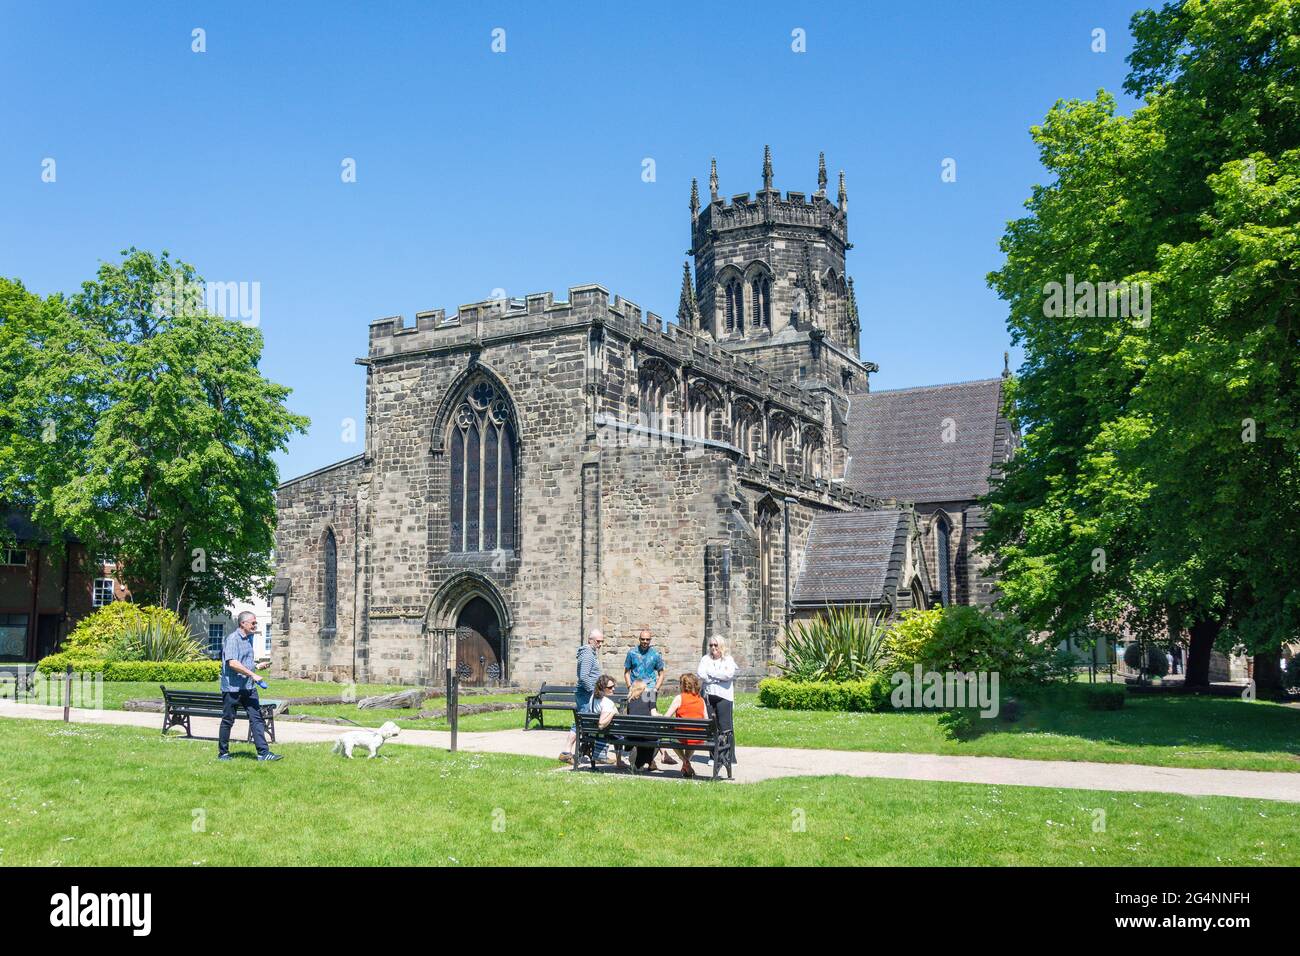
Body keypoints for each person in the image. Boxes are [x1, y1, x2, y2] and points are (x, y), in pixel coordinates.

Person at [218, 611, 281, 761]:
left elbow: (243, 662)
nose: (255, 625)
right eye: (253, 623)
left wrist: (256, 667)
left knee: (257, 718)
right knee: (228, 720)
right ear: (243, 624)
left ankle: (263, 753)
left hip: (248, 687)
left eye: (255, 623)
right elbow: (232, 663)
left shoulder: (248, 638)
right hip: (232, 688)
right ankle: (223, 753)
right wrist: (252, 674)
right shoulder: (233, 639)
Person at [559, 629, 604, 764]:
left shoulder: (590, 653)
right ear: (590, 640)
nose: (600, 644)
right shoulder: (588, 655)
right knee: (581, 722)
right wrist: (593, 691)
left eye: (602, 641)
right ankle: (566, 752)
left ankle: (586, 750)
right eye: (598, 641)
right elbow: (583, 676)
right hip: (586, 693)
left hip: (587, 693)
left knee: (587, 722)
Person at [698, 636, 737, 765]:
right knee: (711, 727)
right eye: (711, 645)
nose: (713, 648)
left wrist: (711, 673)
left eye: (716, 645)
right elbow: (701, 674)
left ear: (721, 646)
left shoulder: (728, 659)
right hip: (708, 696)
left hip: (724, 697)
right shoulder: (705, 659)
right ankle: (713, 756)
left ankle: (729, 757)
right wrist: (717, 676)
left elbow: (728, 675)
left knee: (726, 727)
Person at [663, 673, 707, 778]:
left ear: (683, 685)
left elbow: (666, 717)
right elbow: (706, 719)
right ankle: (687, 764)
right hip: (697, 737)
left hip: (681, 736)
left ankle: (685, 761)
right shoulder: (701, 700)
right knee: (692, 736)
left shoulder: (679, 698)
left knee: (673, 739)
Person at [621, 679, 658, 772]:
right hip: (646, 734)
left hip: (631, 735)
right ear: (643, 688)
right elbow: (654, 714)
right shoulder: (650, 695)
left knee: (643, 735)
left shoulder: (630, 699)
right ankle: (642, 762)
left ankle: (638, 760)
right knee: (656, 738)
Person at [623, 628, 666, 704]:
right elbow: (627, 672)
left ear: (650, 640)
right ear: (639, 639)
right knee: (634, 710)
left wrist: (656, 688)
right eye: (643, 639)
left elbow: (661, 674)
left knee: (650, 712)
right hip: (635, 688)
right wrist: (629, 687)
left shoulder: (655, 654)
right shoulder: (632, 653)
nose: (645, 642)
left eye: (647, 639)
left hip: (650, 687)